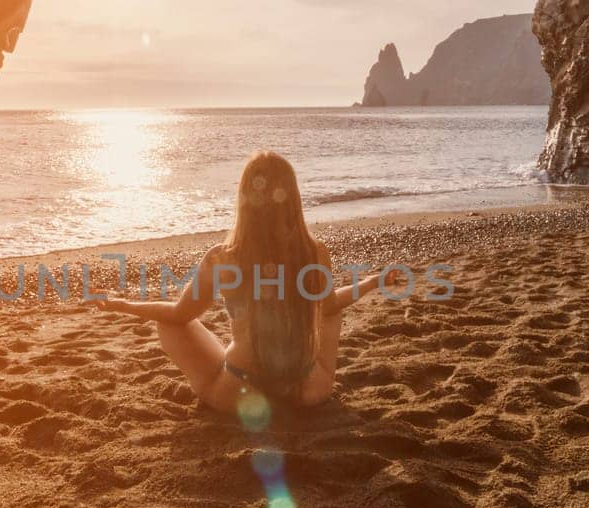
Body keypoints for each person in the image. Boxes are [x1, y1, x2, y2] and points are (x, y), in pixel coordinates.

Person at [89, 150, 383, 412]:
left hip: (241, 395)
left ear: (244, 199)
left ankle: (227, 380)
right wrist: (370, 283)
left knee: (170, 323)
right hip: (306, 393)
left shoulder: (222, 258)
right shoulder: (314, 252)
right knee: (329, 311)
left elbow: (179, 314)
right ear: (292, 197)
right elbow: (330, 307)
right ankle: (304, 380)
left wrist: (122, 304)